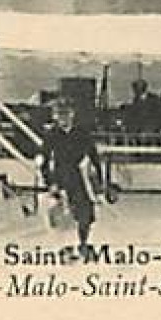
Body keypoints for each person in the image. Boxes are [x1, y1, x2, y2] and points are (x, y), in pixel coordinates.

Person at [39, 101, 103, 248]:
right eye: (60, 115)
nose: (63, 118)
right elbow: (44, 160)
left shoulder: (82, 133)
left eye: (66, 114)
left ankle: (83, 242)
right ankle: (63, 247)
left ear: (72, 114)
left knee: (85, 213)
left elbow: (94, 157)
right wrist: (50, 182)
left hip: (79, 177)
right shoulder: (51, 135)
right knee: (60, 216)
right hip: (60, 177)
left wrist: (98, 183)